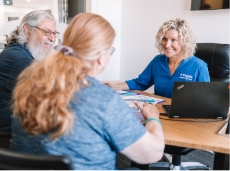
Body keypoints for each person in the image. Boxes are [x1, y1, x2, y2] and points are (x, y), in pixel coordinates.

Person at [10, 13, 165, 170]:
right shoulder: (104, 100)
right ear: (101, 57)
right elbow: (152, 153)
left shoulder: (28, 87)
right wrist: (153, 119)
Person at [105, 18, 210, 98]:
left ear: (185, 42)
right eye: (164, 39)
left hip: (185, 116)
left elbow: (205, 100)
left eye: (173, 40)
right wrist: (113, 87)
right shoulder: (158, 61)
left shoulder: (199, 67)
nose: (167, 45)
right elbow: (139, 83)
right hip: (159, 112)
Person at [0, 10, 58, 131]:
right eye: (47, 32)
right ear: (27, 31)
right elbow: (53, 94)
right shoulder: (20, 59)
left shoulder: (17, 51)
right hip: (9, 134)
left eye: (54, 33)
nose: (52, 39)